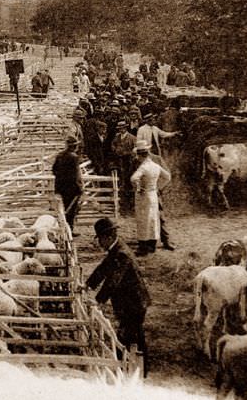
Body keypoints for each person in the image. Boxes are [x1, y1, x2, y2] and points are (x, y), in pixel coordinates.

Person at [86, 218, 150, 375]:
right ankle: (129, 366)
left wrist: (98, 300)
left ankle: (136, 370)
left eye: (100, 239)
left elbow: (113, 281)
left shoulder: (122, 254)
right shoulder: (116, 249)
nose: (99, 244)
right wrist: (88, 284)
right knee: (130, 334)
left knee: (131, 335)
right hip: (129, 301)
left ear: (108, 237)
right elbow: (104, 268)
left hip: (133, 302)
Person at [130, 140, 171, 256]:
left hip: (144, 196)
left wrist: (138, 188)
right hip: (153, 194)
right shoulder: (155, 165)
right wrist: (158, 188)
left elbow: (133, 179)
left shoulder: (143, 167)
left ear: (139, 154)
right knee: (153, 219)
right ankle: (152, 246)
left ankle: (143, 247)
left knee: (143, 220)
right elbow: (168, 177)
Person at [52, 136, 83, 234]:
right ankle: (69, 230)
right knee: (71, 210)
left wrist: (61, 178)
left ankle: (64, 229)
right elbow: (75, 175)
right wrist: (79, 188)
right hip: (71, 188)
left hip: (60, 187)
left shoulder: (59, 155)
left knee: (63, 209)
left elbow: (54, 170)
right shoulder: (74, 158)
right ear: (74, 147)